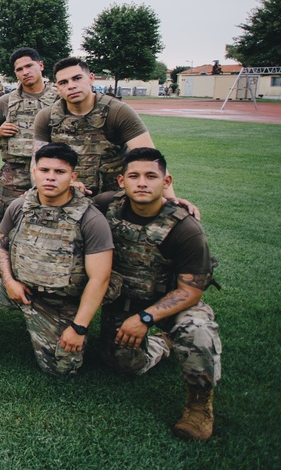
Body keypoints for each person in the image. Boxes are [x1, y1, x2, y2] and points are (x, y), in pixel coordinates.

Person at [0, 143, 113, 376]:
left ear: (73, 176)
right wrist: (9, 281)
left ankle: (160, 344)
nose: (50, 177)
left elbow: (99, 279)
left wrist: (79, 327)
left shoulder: (90, 218)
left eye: (59, 172)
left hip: (58, 301)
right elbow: (1, 245)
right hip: (18, 285)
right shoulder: (20, 206)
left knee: (62, 369)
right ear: (34, 172)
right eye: (44, 170)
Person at [93, 148, 221, 440]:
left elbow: (191, 291)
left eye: (151, 176)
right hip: (124, 300)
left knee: (198, 330)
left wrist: (145, 317)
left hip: (173, 303)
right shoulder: (104, 204)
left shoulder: (185, 228)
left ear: (166, 181)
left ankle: (199, 405)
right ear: (121, 180)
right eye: (134, 176)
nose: (142, 183)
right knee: (121, 362)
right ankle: (162, 346)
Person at [33, 57, 195, 214]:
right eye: (63, 82)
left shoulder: (118, 112)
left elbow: (150, 159)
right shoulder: (47, 117)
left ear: (91, 79)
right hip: (65, 198)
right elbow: (37, 163)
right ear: (57, 87)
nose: (71, 86)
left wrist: (171, 200)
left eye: (77, 78)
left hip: (112, 201)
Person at [0, 47, 60, 223]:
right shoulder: (7, 100)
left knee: (50, 219)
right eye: (19, 69)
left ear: (40, 65)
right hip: (14, 174)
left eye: (29, 66)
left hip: (50, 171)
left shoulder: (59, 99)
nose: (25, 72)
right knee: (9, 221)